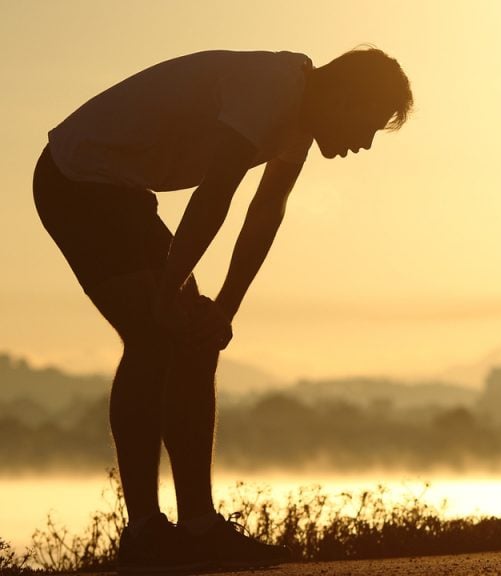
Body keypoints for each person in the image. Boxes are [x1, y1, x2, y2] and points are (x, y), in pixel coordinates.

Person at [34, 47, 413, 573]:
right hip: (76, 178)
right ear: (345, 95)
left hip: (120, 192)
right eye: (367, 125)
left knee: (195, 339)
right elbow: (218, 193)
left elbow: (266, 212)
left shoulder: (300, 114)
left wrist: (224, 311)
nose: (363, 143)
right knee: (154, 333)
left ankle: (198, 527)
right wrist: (168, 293)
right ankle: (144, 532)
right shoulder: (274, 88)